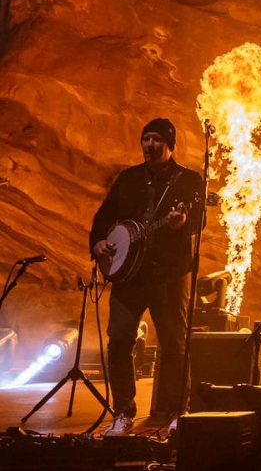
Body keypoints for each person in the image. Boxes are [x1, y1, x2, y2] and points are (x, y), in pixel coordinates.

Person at [91, 118, 204, 436]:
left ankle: (178, 413)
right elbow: (104, 215)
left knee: (174, 344)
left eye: (156, 139)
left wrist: (183, 223)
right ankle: (123, 413)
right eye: (145, 139)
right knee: (119, 342)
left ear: (170, 144)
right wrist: (98, 241)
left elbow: (199, 219)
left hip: (168, 274)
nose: (149, 145)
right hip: (129, 276)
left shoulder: (189, 181)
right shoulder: (128, 178)